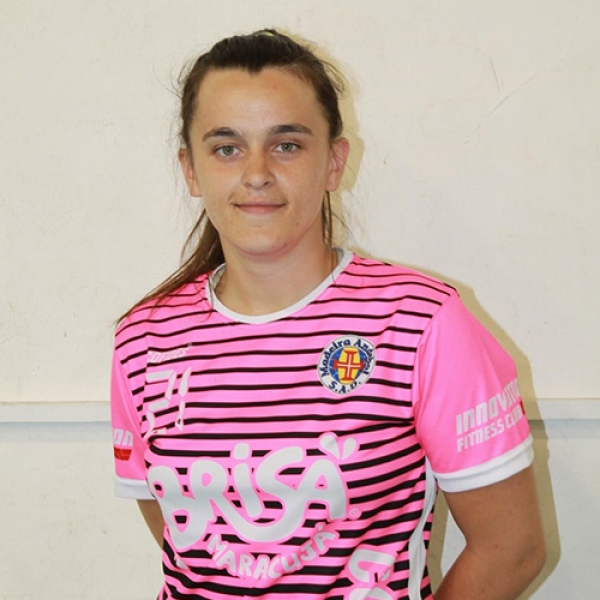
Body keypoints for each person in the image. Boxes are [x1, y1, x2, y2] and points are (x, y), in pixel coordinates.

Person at [110, 29, 546, 600]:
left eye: (287, 145)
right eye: (226, 148)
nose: (257, 173)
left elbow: (512, 549)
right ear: (191, 169)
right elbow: (179, 533)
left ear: (334, 162)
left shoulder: (421, 323)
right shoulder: (143, 339)